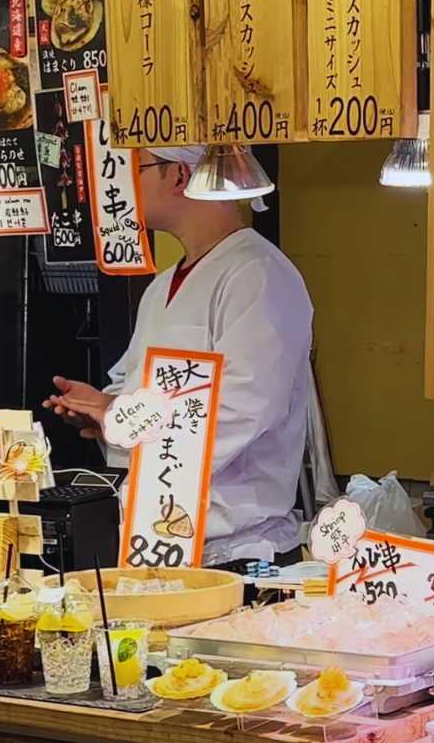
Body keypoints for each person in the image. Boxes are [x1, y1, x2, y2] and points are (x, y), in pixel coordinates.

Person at [44, 146, 316, 564]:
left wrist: (124, 421)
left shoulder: (259, 274)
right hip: (156, 540)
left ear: (179, 175)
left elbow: (244, 408)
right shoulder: (161, 286)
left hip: (238, 548)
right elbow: (133, 385)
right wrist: (103, 409)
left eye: (136, 169)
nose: (125, 185)